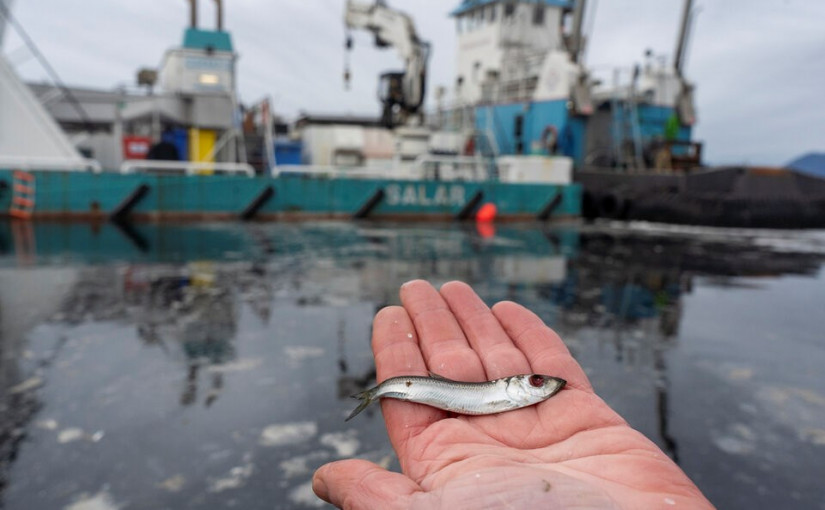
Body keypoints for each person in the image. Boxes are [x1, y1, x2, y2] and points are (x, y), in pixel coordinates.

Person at [313, 280, 715, 509]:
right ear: (516, 385)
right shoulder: (504, 390)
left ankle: (378, 392)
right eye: (537, 382)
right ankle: (378, 393)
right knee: (396, 384)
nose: (543, 384)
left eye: (537, 382)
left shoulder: (516, 394)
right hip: (418, 388)